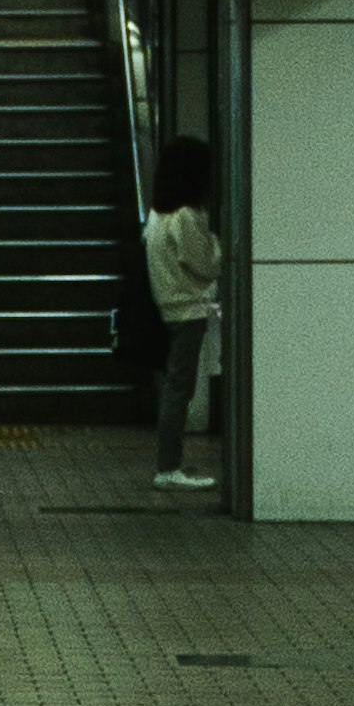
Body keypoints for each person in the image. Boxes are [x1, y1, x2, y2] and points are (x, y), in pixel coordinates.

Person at [141, 136, 222, 488]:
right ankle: (169, 466)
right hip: (187, 310)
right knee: (179, 388)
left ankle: (169, 464)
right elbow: (206, 265)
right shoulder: (186, 216)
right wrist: (218, 242)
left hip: (169, 308)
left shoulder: (158, 214)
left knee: (175, 386)